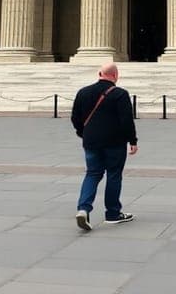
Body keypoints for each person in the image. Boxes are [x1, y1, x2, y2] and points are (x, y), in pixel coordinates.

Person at [71, 62, 138, 231]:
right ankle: (113, 214)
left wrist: (83, 133)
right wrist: (133, 141)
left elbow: (75, 117)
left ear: (99, 74)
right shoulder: (120, 94)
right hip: (114, 142)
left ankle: (83, 209)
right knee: (114, 174)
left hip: (91, 141)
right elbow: (126, 120)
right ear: (115, 76)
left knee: (92, 173)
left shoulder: (83, 92)